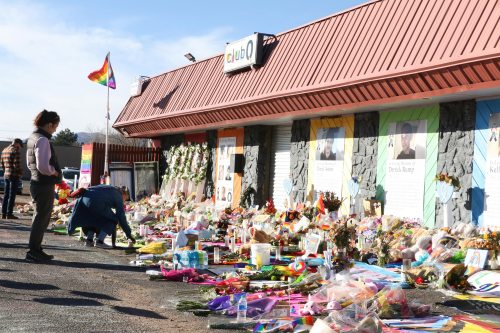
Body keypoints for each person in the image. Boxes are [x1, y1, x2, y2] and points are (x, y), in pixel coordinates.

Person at [26, 110, 62, 261]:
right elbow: (43, 166)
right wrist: (54, 172)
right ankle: (34, 251)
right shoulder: (42, 140)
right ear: (49, 124)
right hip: (43, 183)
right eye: (55, 126)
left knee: (39, 216)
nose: (55, 129)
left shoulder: (33, 137)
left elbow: (30, 164)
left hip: (36, 182)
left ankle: (35, 249)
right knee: (42, 218)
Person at [67, 185, 136, 248]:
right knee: (113, 220)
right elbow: (121, 217)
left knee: (93, 218)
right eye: (126, 199)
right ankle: (100, 241)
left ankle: (89, 240)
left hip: (85, 199)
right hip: (96, 202)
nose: (124, 201)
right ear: (124, 194)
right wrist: (128, 234)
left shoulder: (109, 188)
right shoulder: (118, 195)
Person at [1, 138, 23, 219]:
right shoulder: (15, 150)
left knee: (6, 195)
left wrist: (5, 171)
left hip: (6, 174)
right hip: (14, 175)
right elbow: (17, 165)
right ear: (17, 143)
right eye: (20, 145)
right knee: (12, 195)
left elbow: (2, 164)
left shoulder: (4, 150)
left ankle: (3, 213)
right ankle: (9, 214)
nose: (20, 147)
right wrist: (20, 173)